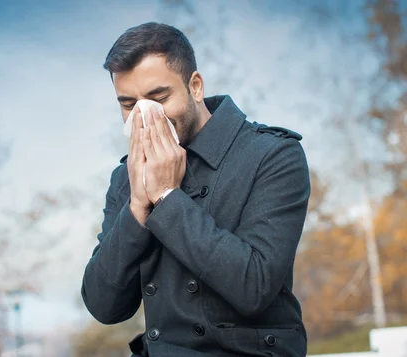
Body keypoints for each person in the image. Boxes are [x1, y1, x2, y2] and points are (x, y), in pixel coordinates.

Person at [80, 22, 311, 357]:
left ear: (196, 86)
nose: (146, 117)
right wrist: (136, 210)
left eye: (159, 98)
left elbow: (254, 287)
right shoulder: (126, 175)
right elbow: (104, 306)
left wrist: (167, 197)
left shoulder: (272, 155)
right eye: (129, 105)